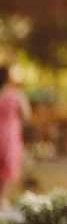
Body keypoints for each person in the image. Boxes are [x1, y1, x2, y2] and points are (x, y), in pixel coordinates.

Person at [0, 65, 31, 210]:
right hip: (9, 132)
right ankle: (3, 199)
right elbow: (26, 114)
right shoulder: (15, 94)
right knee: (8, 165)